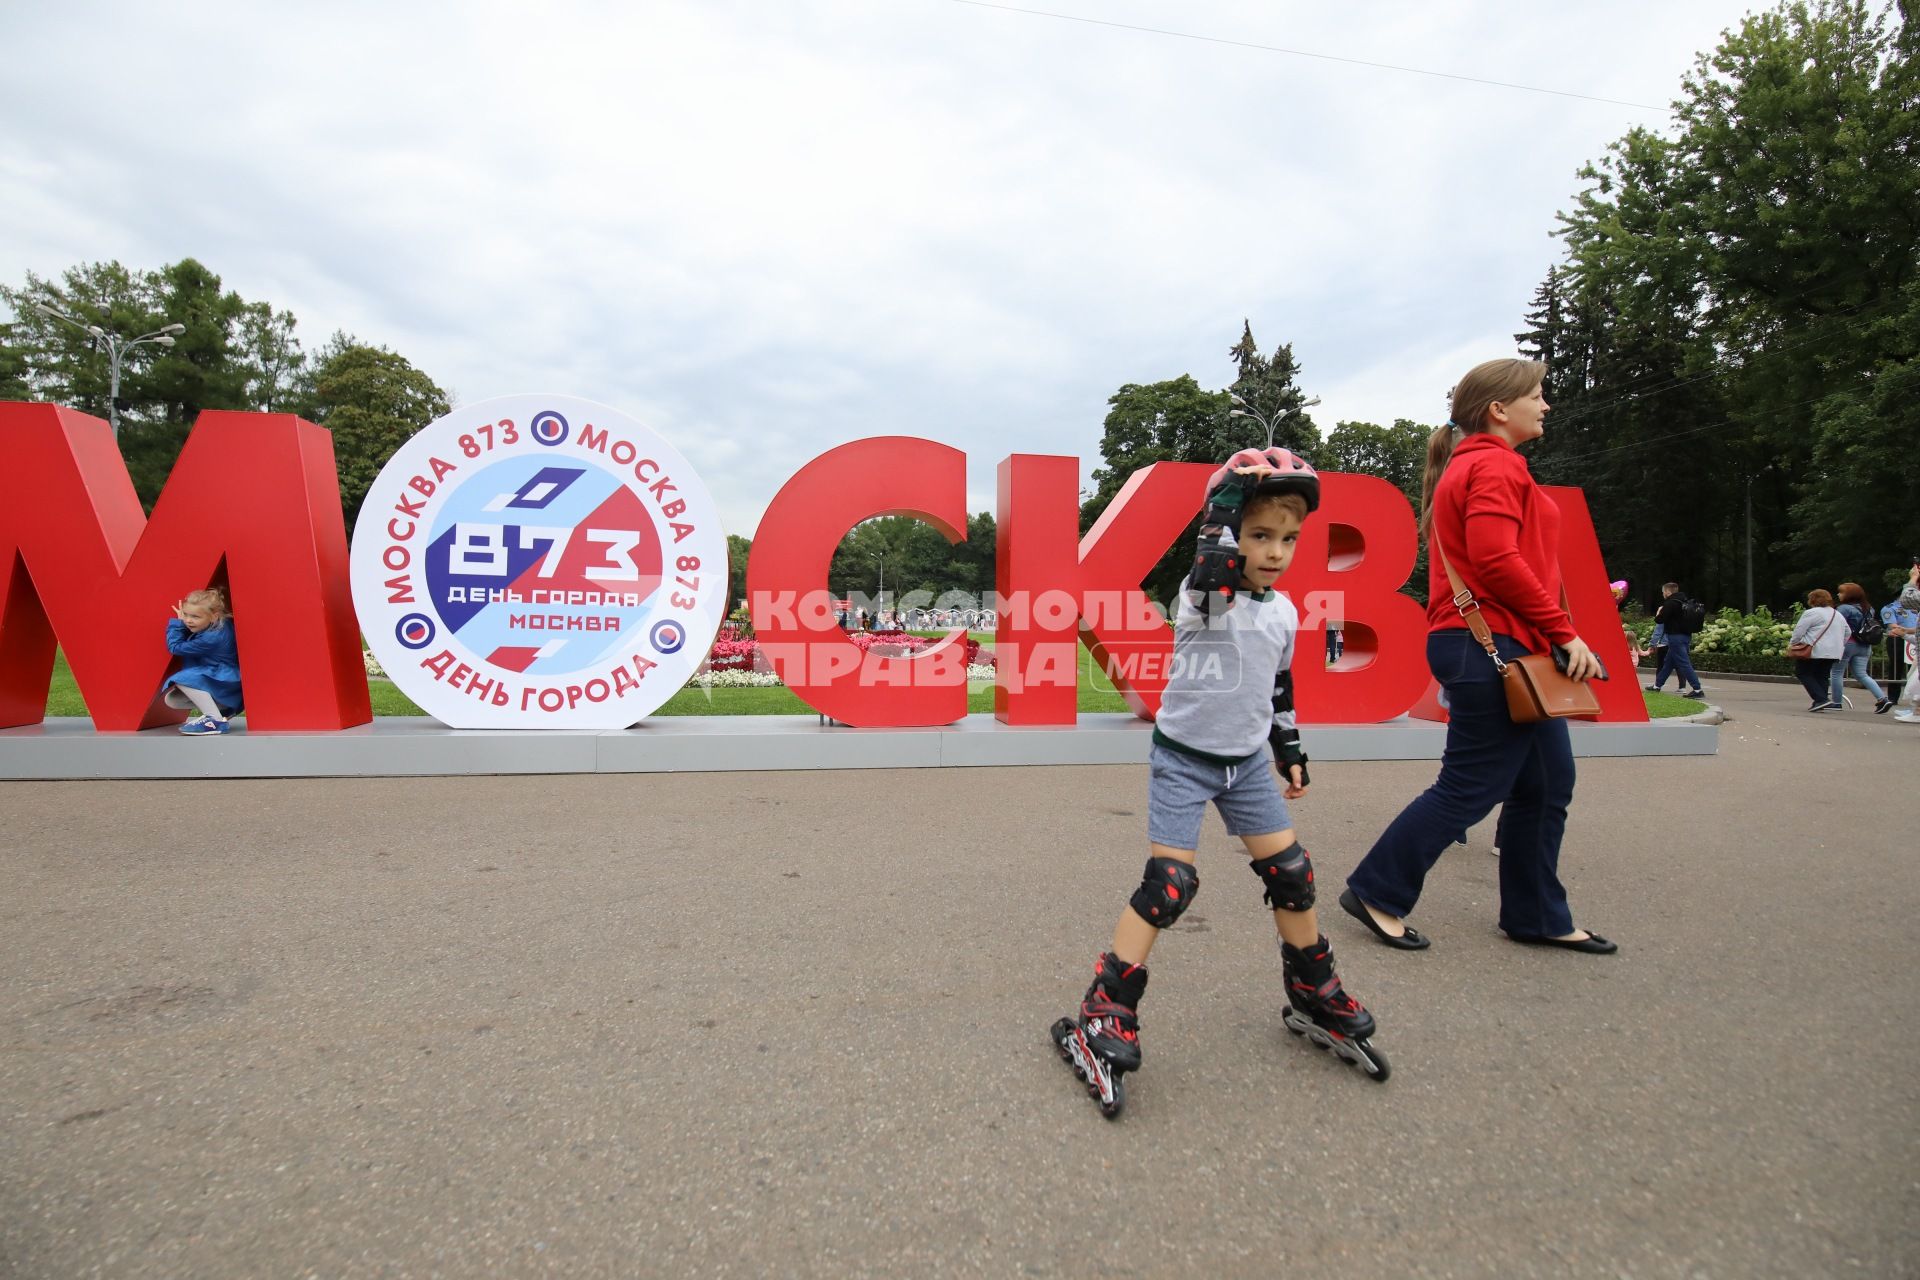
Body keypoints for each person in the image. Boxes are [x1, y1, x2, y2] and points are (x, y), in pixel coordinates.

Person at [1050, 446, 1385, 1116]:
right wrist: (1228, 497)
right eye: (1260, 536)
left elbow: (1278, 686)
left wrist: (1289, 746)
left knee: (1291, 873)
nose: (1276, 551)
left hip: (1247, 764)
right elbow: (1212, 569)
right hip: (1185, 758)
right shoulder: (1204, 597)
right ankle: (1106, 1006)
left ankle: (1314, 989)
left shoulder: (1285, 613)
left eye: (1288, 538)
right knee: (1169, 887)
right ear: (1230, 532)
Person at [1341, 358, 1615, 955]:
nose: (1545, 406)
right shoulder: (1492, 464)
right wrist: (1564, 631)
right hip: (1491, 643)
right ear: (1498, 408)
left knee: (1545, 783)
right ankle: (1376, 890)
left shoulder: (1480, 464)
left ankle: (1536, 914)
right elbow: (1495, 558)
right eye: (1537, 396)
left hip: (1492, 642)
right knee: (1470, 785)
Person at [162, 587, 243, 735]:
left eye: (195, 617)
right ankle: (222, 712)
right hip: (220, 678)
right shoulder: (220, 623)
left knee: (183, 679)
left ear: (213, 617)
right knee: (173, 700)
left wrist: (178, 625)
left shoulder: (211, 638)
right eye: (185, 615)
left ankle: (214, 720)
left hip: (225, 679)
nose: (187, 620)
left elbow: (175, 647)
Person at [1832, 582, 1893, 713]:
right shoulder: (1869, 608)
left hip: (1847, 643)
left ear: (1849, 595)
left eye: (1841, 592)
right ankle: (1882, 699)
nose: (1838, 594)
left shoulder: (1844, 609)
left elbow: (1837, 625)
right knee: (1862, 674)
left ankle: (1836, 702)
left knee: (1837, 673)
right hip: (1864, 645)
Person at [1788, 589, 1847, 711]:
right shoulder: (1837, 614)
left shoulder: (1812, 612)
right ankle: (1820, 701)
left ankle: (1821, 699)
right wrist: (1839, 644)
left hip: (1815, 649)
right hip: (1834, 651)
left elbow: (1799, 631)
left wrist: (1793, 644)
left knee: (1803, 672)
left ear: (1812, 599)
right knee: (1822, 676)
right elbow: (1848, 632)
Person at [1647, 583, 1706, 698]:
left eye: (1663, 592)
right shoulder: (1684, 601)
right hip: (1686, 636)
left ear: (1668, 592)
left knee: (1684, 663)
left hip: (1675, 637)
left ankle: (1697, 689)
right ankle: (1657, 686)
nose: (1663, 594)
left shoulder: (1671, 603)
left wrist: (1659, 613)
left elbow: (1659, 620)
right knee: (1668, 663)